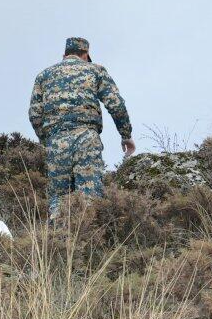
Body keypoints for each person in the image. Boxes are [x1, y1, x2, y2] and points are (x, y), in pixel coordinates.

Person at [28, 37, 136, 216]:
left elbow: (34, 115)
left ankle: (57, 240)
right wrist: (125, 135)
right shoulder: (95, 71)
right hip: (86, 137)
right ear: (86, 54)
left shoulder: (44, 76)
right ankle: (89, 238)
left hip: (56, 140)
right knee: (90, 196)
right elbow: (116, 105)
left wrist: (47, 140)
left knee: (59, 198)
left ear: (64, 55)